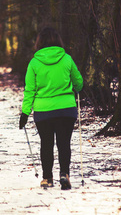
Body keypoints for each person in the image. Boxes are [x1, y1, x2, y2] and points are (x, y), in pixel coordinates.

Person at [19, 27, 83, 190]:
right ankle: (64, 175)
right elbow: (79, 83)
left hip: (43, 111)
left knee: (46, 144)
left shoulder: (34, 63)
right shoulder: (67, 59)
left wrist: (25, 112)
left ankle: (47, 177)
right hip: (66, 109)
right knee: (64, 143)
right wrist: (74, 87)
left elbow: (30, 90)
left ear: (39, 42)